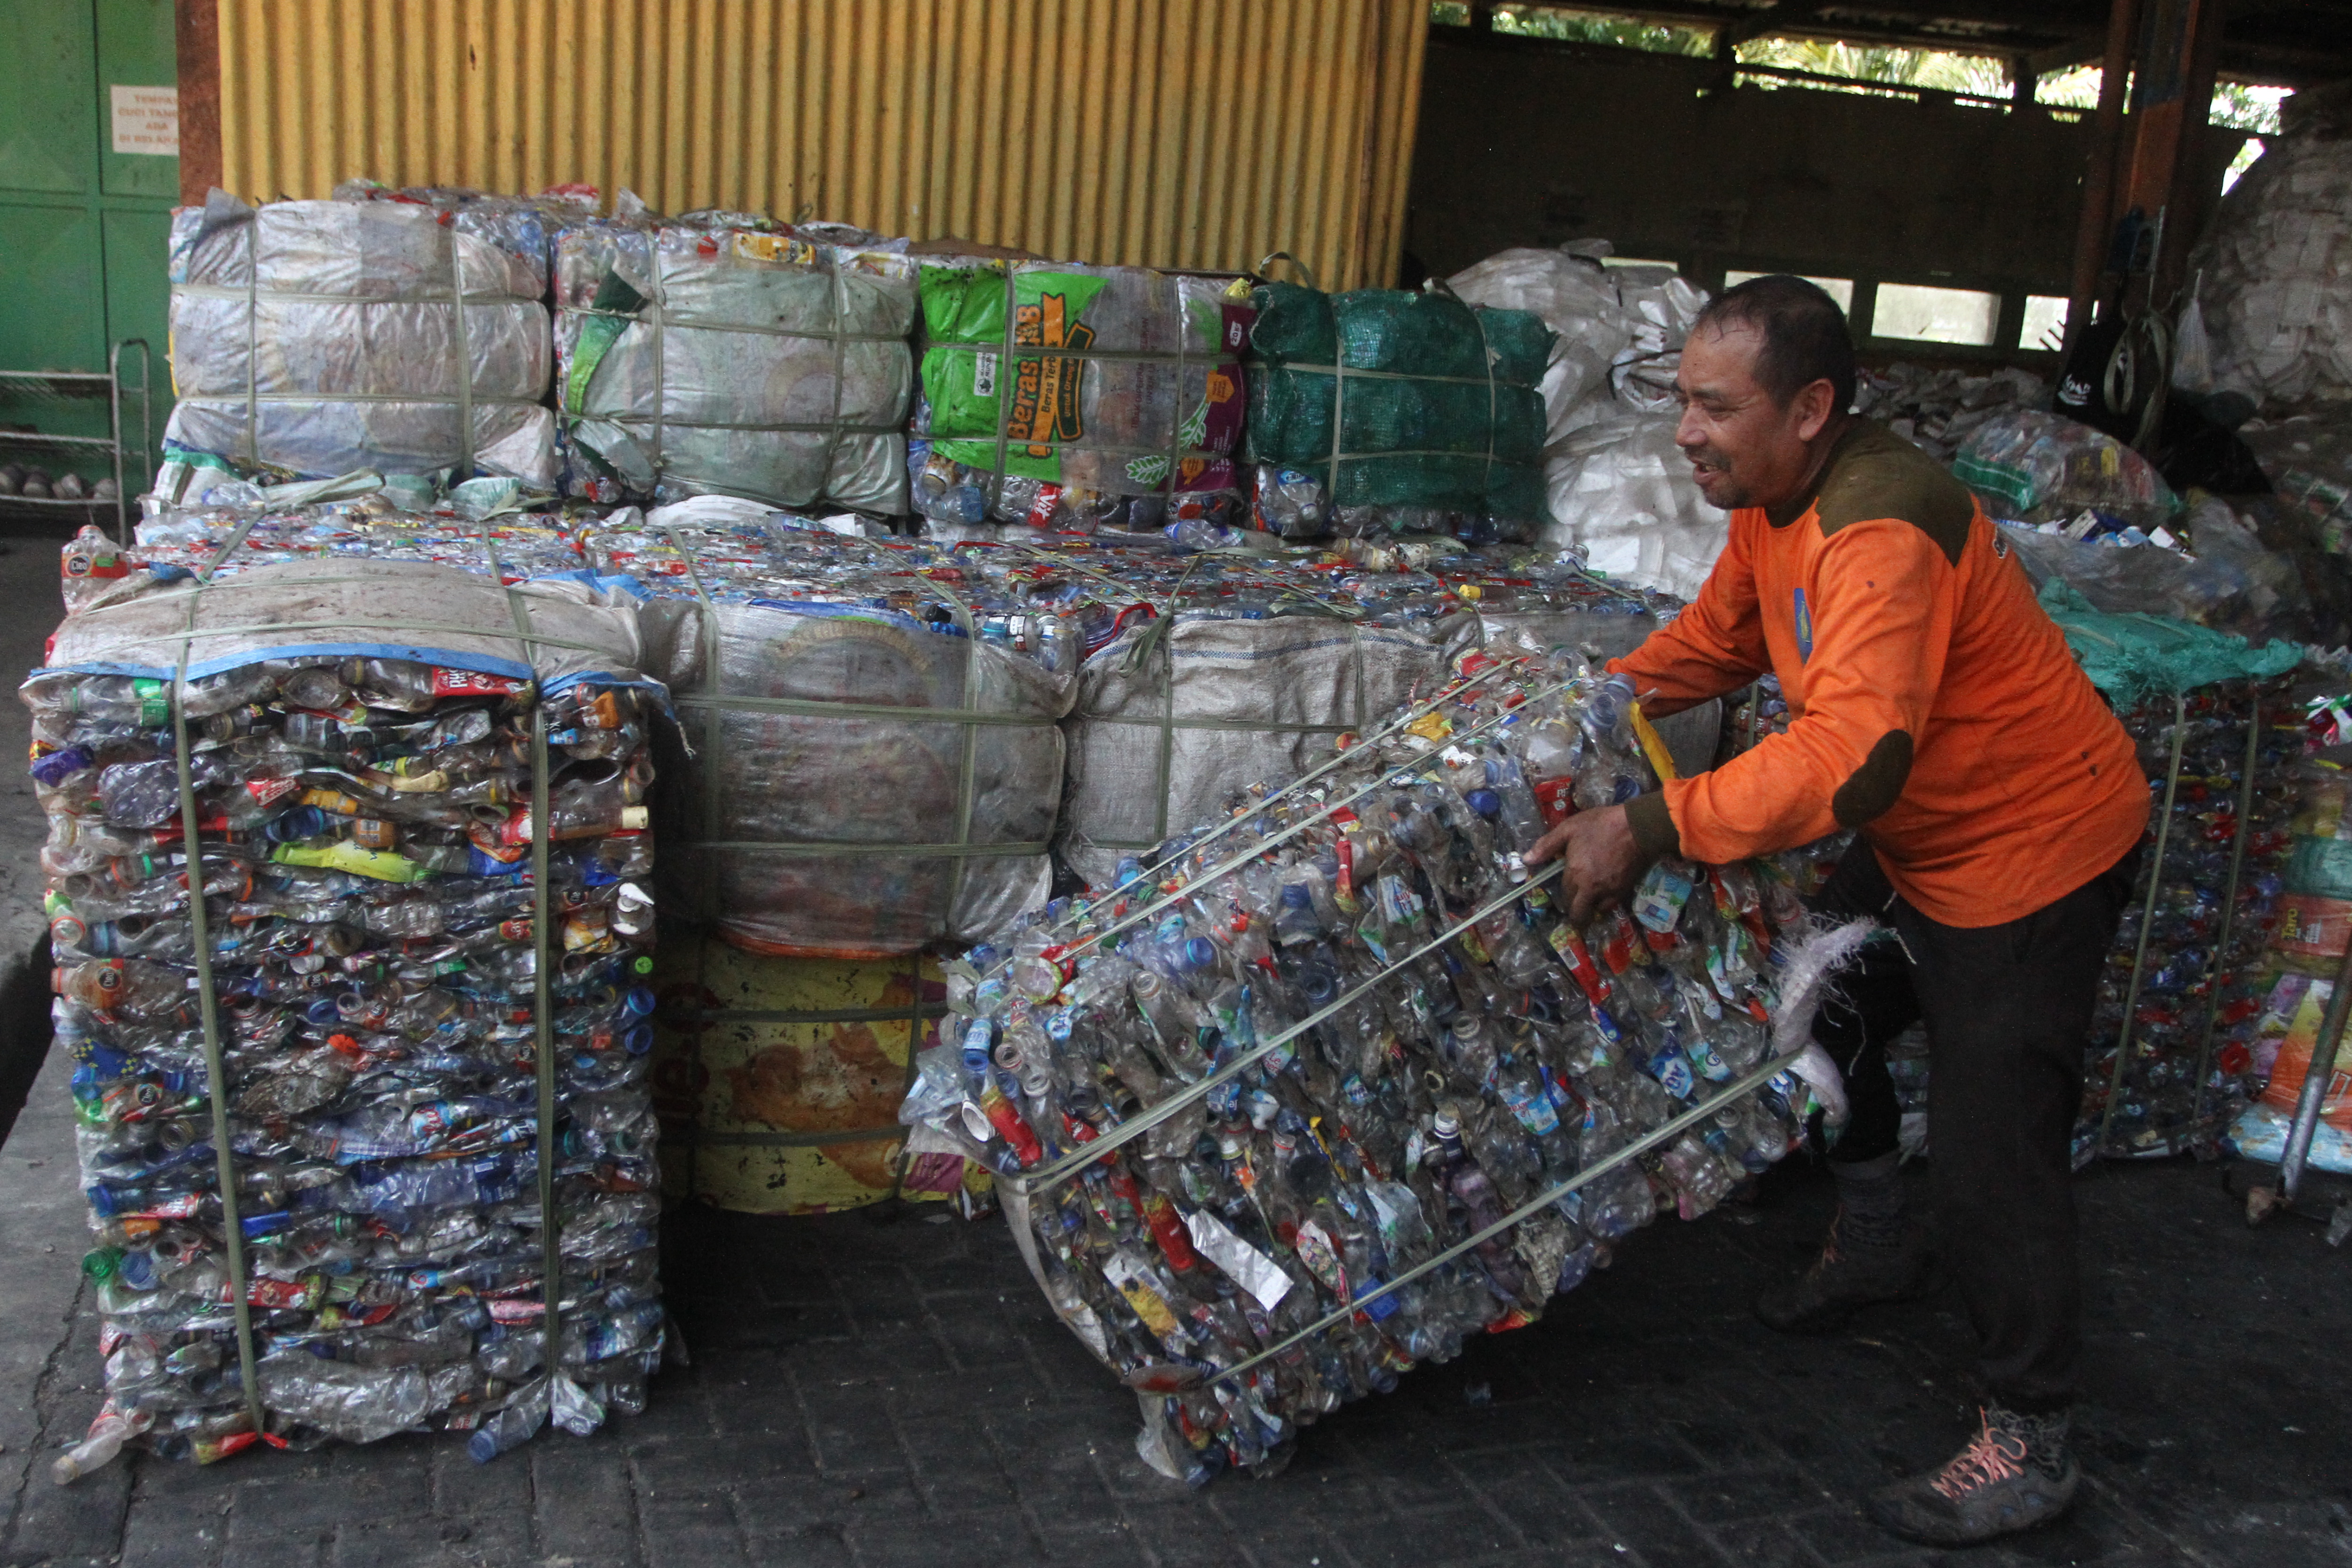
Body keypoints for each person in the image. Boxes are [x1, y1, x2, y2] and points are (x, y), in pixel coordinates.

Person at [1526, 275, 2148, 1546]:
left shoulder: (1881, 527)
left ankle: (2033, 1432)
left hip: (2029, 852)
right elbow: (1719, 641)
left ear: (1811, 407)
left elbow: (1854, 762)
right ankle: (1872, 1241)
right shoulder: (1773, 499)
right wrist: (1569, 703)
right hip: (1926, 840)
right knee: (1816, 1004)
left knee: (1992, 1155)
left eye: (1715, 406)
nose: (1686, 431)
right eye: (1681, 402)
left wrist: (1648, 825)